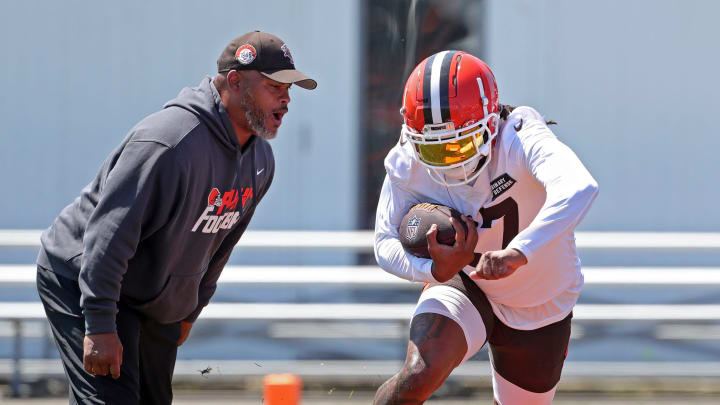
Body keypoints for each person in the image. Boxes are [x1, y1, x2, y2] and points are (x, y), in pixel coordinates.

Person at [35, 31, 316, 404]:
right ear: (234, 81)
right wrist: (100, 323)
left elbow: (220, 244)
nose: (285, 99)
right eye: (272, 87)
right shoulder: (168, 143)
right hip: (86, 273)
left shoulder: (260, 161)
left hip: (151, 291)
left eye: (289, 90)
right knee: (110, 400)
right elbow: (108, 236)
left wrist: (191, 309)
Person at [373, 50, 598, 404]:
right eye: (435, 151)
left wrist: (520, 251)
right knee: (418, 377)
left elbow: (580, 187)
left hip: (538, 300)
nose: (451, 163)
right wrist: (432, 267)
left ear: (491, 122)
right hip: (464, 281)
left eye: (460, 144)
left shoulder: (520, 136)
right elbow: (384, 242)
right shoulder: (407, 159)